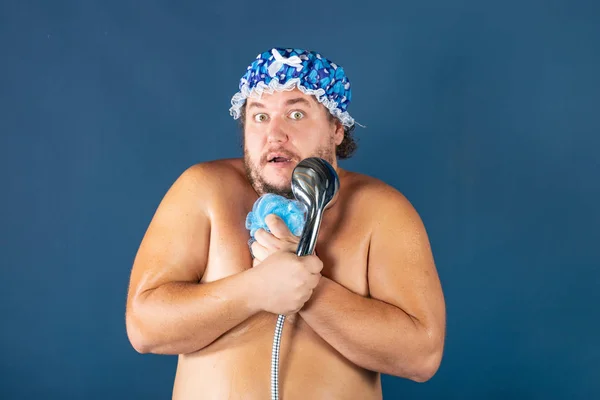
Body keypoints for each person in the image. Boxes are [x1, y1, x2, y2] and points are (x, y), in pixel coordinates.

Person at [125, 47, 446, 399]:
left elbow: (422, 355)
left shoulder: (382, 210)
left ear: (336, 128)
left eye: (295, 113)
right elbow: (144, 327)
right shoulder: (204, 190)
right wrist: (256, 289)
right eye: (259, 116)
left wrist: (312, 292)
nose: (274, 134)